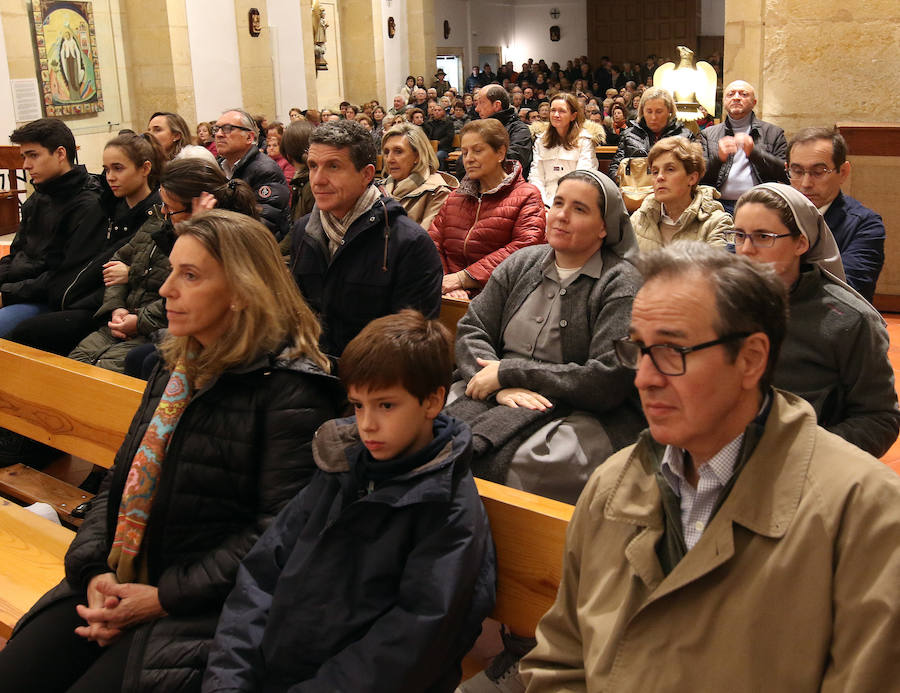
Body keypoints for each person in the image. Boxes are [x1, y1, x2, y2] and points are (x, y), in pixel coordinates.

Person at [520, 242, 900, 692]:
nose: (643, 377)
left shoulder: (866, 514)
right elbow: (560, 661)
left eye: (672, 350)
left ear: (751, 358)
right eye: (638, 348)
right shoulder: (612, 484)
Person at [0, 210, 344, 692]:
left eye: (190, 275)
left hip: (205, 606)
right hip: (120, 573)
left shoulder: (291, 391)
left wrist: (162, 597)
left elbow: (279, 535)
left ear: (243, 292)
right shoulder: (176, 364)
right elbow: (119, 482)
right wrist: (95, 568)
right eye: (172, 272)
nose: (165, 291)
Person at [203, 310, 496, 692]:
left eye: (385, 405)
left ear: (432, 401)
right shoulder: (340, 466)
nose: (367, 424)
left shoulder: (449, 511)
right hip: (268, 673)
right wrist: (228, 680)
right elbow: (261, 573)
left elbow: (408, 647)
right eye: (358, 405)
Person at [446, 169, 644, 506]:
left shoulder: (621, 283)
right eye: (558, 203)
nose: (561, 216)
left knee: (537, 464)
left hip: (580, 408)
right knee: (432, 430)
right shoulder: (522, 262)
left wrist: (510, 374)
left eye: (580, 209)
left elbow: (608, 379)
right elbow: (472, 328)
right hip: (491, 386)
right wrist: (498, 381)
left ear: (605, 226)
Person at [731, 183, 899, 457]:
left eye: (763, 236)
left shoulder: (851, 320)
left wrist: (802, 451)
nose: (746, 249)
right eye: (739, 235)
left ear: (801, 242)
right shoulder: (720, 304)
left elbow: (879, 419)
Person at [289, 120, 442, 358]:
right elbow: (296, 315)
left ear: (366, 174)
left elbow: (410, 345)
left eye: (333, 166)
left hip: (372, 380)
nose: (317, 180)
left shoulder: (409, 243)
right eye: (313, 166)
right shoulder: (304, 230)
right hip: (312, 370)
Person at [0, 118, 107, 337]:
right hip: (21, 290)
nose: (25, 165)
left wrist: (6, 294)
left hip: (50, 300)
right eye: (24, 157)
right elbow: (16, 254)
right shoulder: (39, 196)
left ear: (60, 154)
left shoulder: (88, 205)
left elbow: (62, 278)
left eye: (33, 155)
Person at [429, 119, 545, 300]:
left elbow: (524, 249)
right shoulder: (455, 197)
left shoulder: (527, 195)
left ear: (500, 152)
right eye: (465, 152)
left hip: (500, 296)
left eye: (477, 151)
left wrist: (463, 278)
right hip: (449, 293)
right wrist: (446, 282)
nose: (468, 159)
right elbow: (433, 243)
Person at [787, 126, 885, 302]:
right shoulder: (772, 214)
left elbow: (847, 291)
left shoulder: (866, 225)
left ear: (843, 172)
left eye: (818, 172)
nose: (806, 183)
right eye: (797, 171)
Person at [699, 80, 788, 213]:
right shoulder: (707, 134)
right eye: (730, 94)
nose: (736, 97)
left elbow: (786, 174)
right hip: (718, 206)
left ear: (754, 103)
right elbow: (698, 177)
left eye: (743, 94)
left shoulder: (774, 133)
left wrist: (754, 153)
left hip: (761, 205)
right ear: (724, 102)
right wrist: (719, 158)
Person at [630, 137, 731, 252]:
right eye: (655, 172)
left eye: (670, 169)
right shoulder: (639, 219)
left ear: (692, 178)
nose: (659, 177)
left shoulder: (716, 223)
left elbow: (718, 269)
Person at [214, 108, 291, 239]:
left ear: (249, 137)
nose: (219, 134)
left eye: (227, 129)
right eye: (216, 129)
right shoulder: (218, 167)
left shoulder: (265, 170)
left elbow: (264, 224)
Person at [381, 122, 458, 231]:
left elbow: (423, 242)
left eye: (398, 152)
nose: (389, 159)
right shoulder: (379, 189)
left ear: (417, 155)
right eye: (386, 152)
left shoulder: (438, 193)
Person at [608, 86, 693, 180]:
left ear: (669, 111)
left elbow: (693, 170)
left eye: (659, 112)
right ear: (642, 111)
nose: (653, 117)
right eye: (649, 111)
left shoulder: (685, 136)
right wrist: (624, 183)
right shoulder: (629, 135)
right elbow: (615, 168)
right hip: (636, 191)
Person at [529, 93, 598, 208]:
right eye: (553, 110)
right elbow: (536, 176)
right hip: (544, 201)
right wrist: (542, 204)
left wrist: (561, 206)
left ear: (573, 116)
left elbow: (584, 177)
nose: (556, 115)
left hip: (574, 201)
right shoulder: (541, 140)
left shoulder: (584, 140)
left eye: (562, 111)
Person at [455, 84, 532, 181]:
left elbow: (515, 161)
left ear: (497, 105)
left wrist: (480, 160)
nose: (476, 109)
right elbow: (461, 164)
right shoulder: (478, 129)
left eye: (481, 103)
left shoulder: (520, 130)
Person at [423, 100, 455, 170]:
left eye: (439, 110)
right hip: (430, 147)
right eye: (435, 110)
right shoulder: (428, 123)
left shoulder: (448, 123)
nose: (437, 112)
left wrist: (439, 143)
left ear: (443, 112)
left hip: (443, 148)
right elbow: (424, 135)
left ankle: (439, 174)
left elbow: (449, 137)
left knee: (438, 156)